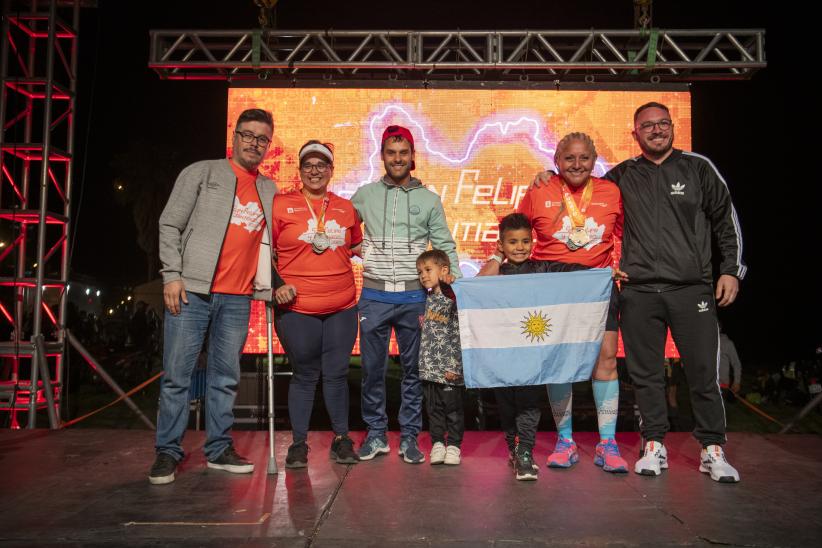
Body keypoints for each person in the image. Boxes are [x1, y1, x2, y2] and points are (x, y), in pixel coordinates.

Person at [534, 102, 746, 482]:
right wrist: (548, 176)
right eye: (647, 126)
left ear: (672, 127)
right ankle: (654, 445)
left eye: (662, 123)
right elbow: (580, 183)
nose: (656, 130)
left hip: (691, 288)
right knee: (646, 376)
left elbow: (725, 219)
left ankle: (712, 448)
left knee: (702, 373)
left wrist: (731, 270)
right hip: (639, 291)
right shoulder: (621, 177)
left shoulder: (699, 167)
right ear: (635, 134)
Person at [150, 108, 277, 485]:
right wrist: (172, 275)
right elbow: (169, 223)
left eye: (262, 139)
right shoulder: (202, 173)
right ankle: (167, 452)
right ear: (234, 136)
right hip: (192, 292)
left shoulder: (269, 189)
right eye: (248, 135)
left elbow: (273, 243)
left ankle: (219, 448)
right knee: (178, 377)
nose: (254, 143)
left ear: (268, 145)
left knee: (225, 377)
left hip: (238, 298)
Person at [517, 132, 627, 473]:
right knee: (559, 363)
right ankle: (566, 441)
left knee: (605, 360)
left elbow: (622, 234)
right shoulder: (539, 190)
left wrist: (619, 265)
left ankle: (606, 443)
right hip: (552, 286)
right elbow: (517, 233)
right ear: (556, 161)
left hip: (597, 287)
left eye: (583, 158)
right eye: (569, 158)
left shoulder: (611, 191)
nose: (576, 164)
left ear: (594, 161)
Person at [352, 125, 461, 464]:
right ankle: (375, 434)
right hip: (374, 295)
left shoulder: (429, 199)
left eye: (403, 153)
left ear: (413, 156)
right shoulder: (365, 195)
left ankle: (410, 436)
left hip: (416, 297)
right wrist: (357, 250)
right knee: (372, 370)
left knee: (415, 371)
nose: (397, 159)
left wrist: (452, 280)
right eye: (390, 152)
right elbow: (339, 224)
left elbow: (443, 244)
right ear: (382, 156)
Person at [478, 213, 593, 481]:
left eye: (525, 241)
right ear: (501, 245)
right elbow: (479, 286)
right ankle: (514, 449)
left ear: (532, 242)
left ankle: (526, 452)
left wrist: (600, 274)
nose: (519, 247)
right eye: (512, 242)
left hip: (532, 354)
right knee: (506, 405)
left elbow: (572, 272)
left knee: (529, 403)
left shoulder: (542, 269)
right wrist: (496, 257)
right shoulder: (498, 272)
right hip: (503, 354)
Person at [271, 140, 362, 468]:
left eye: (321, 165)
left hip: (342, 307)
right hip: (298, 309)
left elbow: (358, 247)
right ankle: (298, 443)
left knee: (337, 375)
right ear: (300, 170)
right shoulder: (280, 205)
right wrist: (276, 286)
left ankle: (341, 439)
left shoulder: (345, 208)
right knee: (305, 374)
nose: (315, 170)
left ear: (331, 171)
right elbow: (263, 252)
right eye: (308, 165)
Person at [416, 249, 464, 465]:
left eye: (428, 270)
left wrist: (449, 282)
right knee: (433, 410)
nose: (423, 275)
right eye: (420, 272)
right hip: (429, 368)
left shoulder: (449, 293)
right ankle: (437, 443)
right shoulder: (426, 297)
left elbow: (457, 333)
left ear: (443, 270)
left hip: (450, 368)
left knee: (452, 411)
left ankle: (453, 446)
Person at [719, 330, 742, 398]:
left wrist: (736, 382)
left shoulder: (727, 343)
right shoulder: (706, 342)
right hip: (707, 384)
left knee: (718, 408)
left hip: (722, 385)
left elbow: (736, 363)